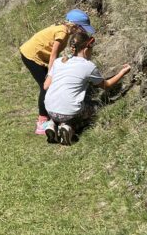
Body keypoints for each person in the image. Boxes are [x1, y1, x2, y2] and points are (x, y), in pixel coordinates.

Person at [43, 28, 131, 145]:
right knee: (97, 107)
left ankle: (52, 124)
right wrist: (122, 73)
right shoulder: (88, 66)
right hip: (69, 112)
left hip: (49, 109)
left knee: (63, 108)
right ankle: (70, 127)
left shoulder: (59, 61)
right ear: (86, 49)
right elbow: (106, 85)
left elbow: (45, 86)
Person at [19, 9, 96, 139]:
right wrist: (51, 72)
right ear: (75, 25)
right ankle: (42, 123)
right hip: (31, 57)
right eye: (82, 29)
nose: (83, 32)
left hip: (37, 57)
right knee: (46, 86)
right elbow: (53, 55)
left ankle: (51, 119)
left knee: (49, 84)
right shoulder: (62, 32)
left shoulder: (62, 29)